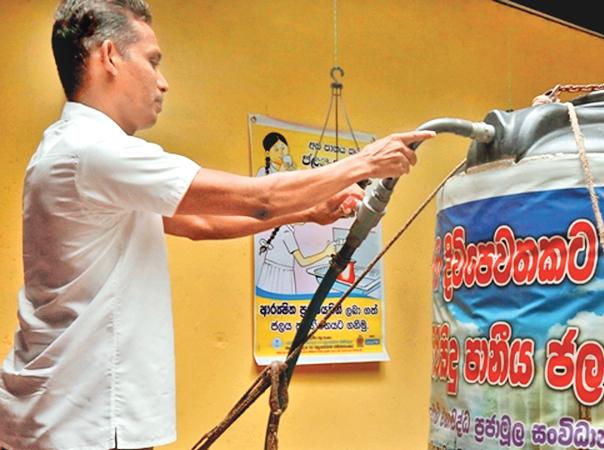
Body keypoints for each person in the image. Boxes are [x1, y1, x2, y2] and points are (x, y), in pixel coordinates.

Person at [0, 1, 434, 450]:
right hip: (80, 423)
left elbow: (199, 222)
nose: (162, 81)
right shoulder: (93, 151)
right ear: (110, 56)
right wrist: (365, 161)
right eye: (152, 61)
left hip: (73, 417)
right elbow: (260, 198)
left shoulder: (78, 151)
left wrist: (305, 213)